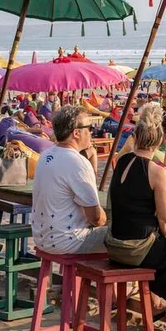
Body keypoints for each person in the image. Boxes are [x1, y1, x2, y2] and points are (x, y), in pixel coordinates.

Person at [106, 103, 166, 317]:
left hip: (114, 243)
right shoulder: (156, 172)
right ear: (160, 141)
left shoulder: (122, 162)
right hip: (136, 248)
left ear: (136, 137)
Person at [31, 106, 107, 254]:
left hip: (42, 238)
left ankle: (86, 277)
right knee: (125, 239)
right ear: (76, 132)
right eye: (89, 128)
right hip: (69, 240)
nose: (91, 132)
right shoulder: (77, 162)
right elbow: (96, 218)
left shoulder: (46, 155)